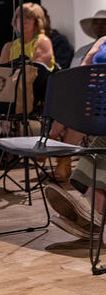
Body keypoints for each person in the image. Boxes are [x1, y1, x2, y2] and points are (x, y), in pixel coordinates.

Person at [45, 36, 106, 239]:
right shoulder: (103, 40)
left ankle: (89, 211)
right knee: (101, 143)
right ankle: (90, 214)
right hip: (95, 101)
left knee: (102, 143)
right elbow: (82, 71)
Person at [0, 2, 54, 71]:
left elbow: (35, 71)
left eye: (28, 17)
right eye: (20, 17)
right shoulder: (8, 46)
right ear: (15, 20)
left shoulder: (43, 41)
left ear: (36, 22)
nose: (23, 21)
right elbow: (0, 72)